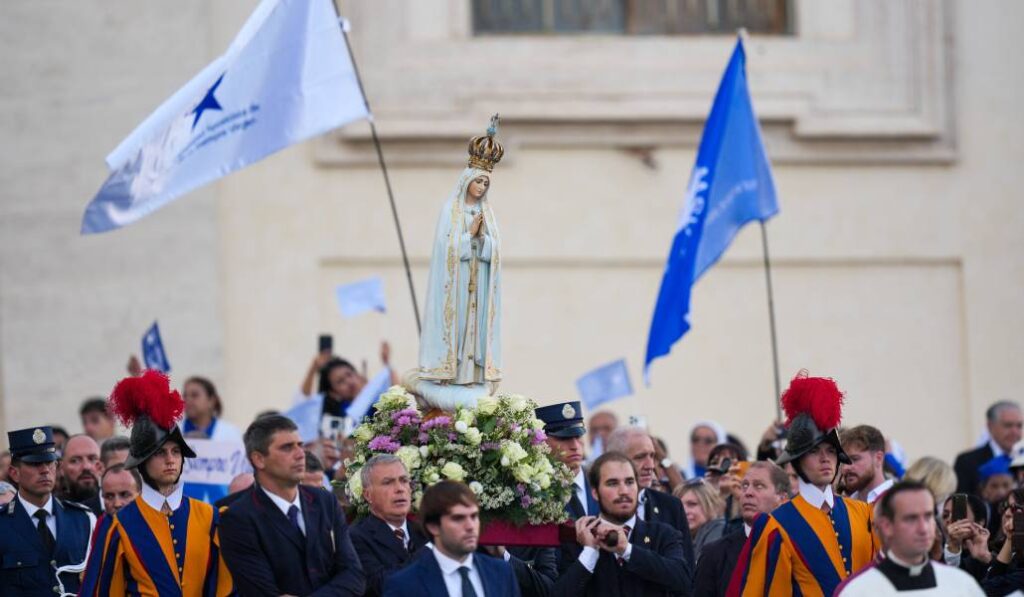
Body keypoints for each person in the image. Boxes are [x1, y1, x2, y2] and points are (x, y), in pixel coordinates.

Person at [79, 370, 234, 596]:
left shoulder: (210, 517)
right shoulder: (119, 524)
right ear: (142, 462)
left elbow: (225, 587)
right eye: (160, 453)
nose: (170, 459)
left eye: (176, 451)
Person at [730, 372, 880, 596]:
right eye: (814, 451)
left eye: (831, 450)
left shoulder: (864, 512)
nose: (825, 458)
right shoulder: (777, 525)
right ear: (797, 460)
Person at [414, 116, 504, 410]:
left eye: (485, 183)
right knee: (459, 325)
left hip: (479, 285)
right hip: (457, 285)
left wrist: (484, 240)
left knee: (475, 329)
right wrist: (469, 237)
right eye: (478, 181)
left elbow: (495, 251)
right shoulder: (451, 211)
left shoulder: (487, 213)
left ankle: (472, 375)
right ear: (467, 181)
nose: (481, 186)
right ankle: (449, 374)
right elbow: (446, 251)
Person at [219, 414, 365, 596]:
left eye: (300, 445)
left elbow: (354, 576)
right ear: (259, 459)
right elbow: (262, 592)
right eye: (287, 448)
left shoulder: (325, 502)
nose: (300, 454)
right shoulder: (238, 518)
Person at [553, 451, 693, 596]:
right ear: (595, 493)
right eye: (612, 483)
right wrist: (590, 553)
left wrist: (627, 550)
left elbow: (683, 581)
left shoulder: (663, 534)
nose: (624, 491)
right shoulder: (580, 539)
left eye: (629, 482)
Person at [834, 481, 984, 595]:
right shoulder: (856, 591)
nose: (923, 528)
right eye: (911, 518)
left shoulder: (962, 584)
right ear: (886, 526)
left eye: (928, 516)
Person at [1, 426, 95, 595]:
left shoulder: (83, 519)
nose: (45, 470)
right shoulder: (3, 524)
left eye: (49, 462)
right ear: (14, 473)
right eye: (34, 464)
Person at [383, 480, 520, 597]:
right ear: (433, 527)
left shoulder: (502, 573)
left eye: (474, 516)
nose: (470, 526)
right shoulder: (404, 585)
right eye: (458, 518)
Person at [693, 461, 790, 597]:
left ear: (782, 499)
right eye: (744, 485)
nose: (748, 492)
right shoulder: (714, 554)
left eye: (759, 486)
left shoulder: (796, 549)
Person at [606, 426, 696, 571]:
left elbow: (686, 571)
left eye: (652, 456)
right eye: (640, 457)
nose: (650, 465)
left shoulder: (671, 506)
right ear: (615, 460)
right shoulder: (596, 504)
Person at [351, 454, 430, 596]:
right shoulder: (355, 538)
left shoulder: (425, 531)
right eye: (388, 482)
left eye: (404, 480)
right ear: (368, 495)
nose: (400, 489)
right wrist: (431, 550)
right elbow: (383, 585)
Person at [537, 401, 595, 519]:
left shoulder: (599, 481)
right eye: (563, 438)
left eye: (578, 436)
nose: (575, 446)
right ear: (543, 442)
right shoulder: (535, 491)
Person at [953, 400, 1022, 495]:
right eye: (1008, 425)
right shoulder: (966, 462)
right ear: (990, 426)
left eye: (1019, 426)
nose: (1015, 432)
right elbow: (960, 501)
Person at [940, 493, 991, 581]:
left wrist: (986, 559)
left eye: (958, 515)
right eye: (945, 515)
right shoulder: (935, 551)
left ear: (979, 523)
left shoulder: (992, 555)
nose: (949, 519)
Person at [841, 425, 894, 504]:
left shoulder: (899, 500)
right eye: (843, 461)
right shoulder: (844, 505)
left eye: (855, 459)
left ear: (878, 458)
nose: (845, 467)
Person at [179, 376, 243, 442]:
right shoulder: (173, 431)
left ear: (211, 400)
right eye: (185, 396)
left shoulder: (231, 433)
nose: (187, 400)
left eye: (194, 395)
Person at [675, 479, 725, 562]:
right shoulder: (678, 535)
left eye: (692, 504)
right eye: (679, 506)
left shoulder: (719, 530)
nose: (684, 511)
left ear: (710, 505)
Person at [59, 433, 104, 514]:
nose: (86, 467)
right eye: (75, 460)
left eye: (93, 459)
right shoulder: (53, 509)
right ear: (61, 468)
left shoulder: (115, 505)